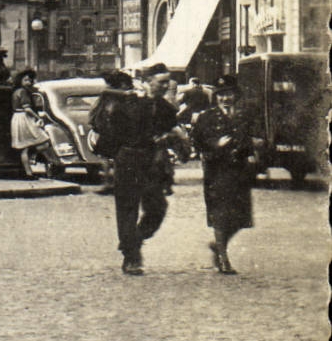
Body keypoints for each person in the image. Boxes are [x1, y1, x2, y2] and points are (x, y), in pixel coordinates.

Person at [89, 63, 176, 275]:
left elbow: (170, 129)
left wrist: (169, 138)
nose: (166, 86)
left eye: (168, 82)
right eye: (161, 82)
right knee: (128, 209)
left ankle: (132, 242)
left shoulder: (165, 107)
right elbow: (108, 127)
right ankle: (131, 258)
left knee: (157, 208)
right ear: (147, 82)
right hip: (129, 159)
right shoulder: (128, 102)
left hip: (153, 163)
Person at [192, 75, 258, 274]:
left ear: (235, 96)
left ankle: (218, 245)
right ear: (216, 97)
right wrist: (215, 145)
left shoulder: (243, 116)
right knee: (221, 216)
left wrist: (252, 153)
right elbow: (197, 142)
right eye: (221, 95)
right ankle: (223, 258)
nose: (225, 99)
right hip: (217, 171)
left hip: (239, 172)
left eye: (228, 94)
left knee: (240, 218)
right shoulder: (207, 117)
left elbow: (248, 140)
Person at [9, 68, 57, 178]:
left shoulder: (16, 91)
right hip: (24, 119)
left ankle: (28, 172)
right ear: (20, 80)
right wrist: (37, 117)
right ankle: (33, 156)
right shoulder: (23, 92)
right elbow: (28, 109)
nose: (28, 82)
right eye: (26, 80)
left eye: (29, 80)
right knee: (44, 141)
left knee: (24, 147)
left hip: (17, 118)